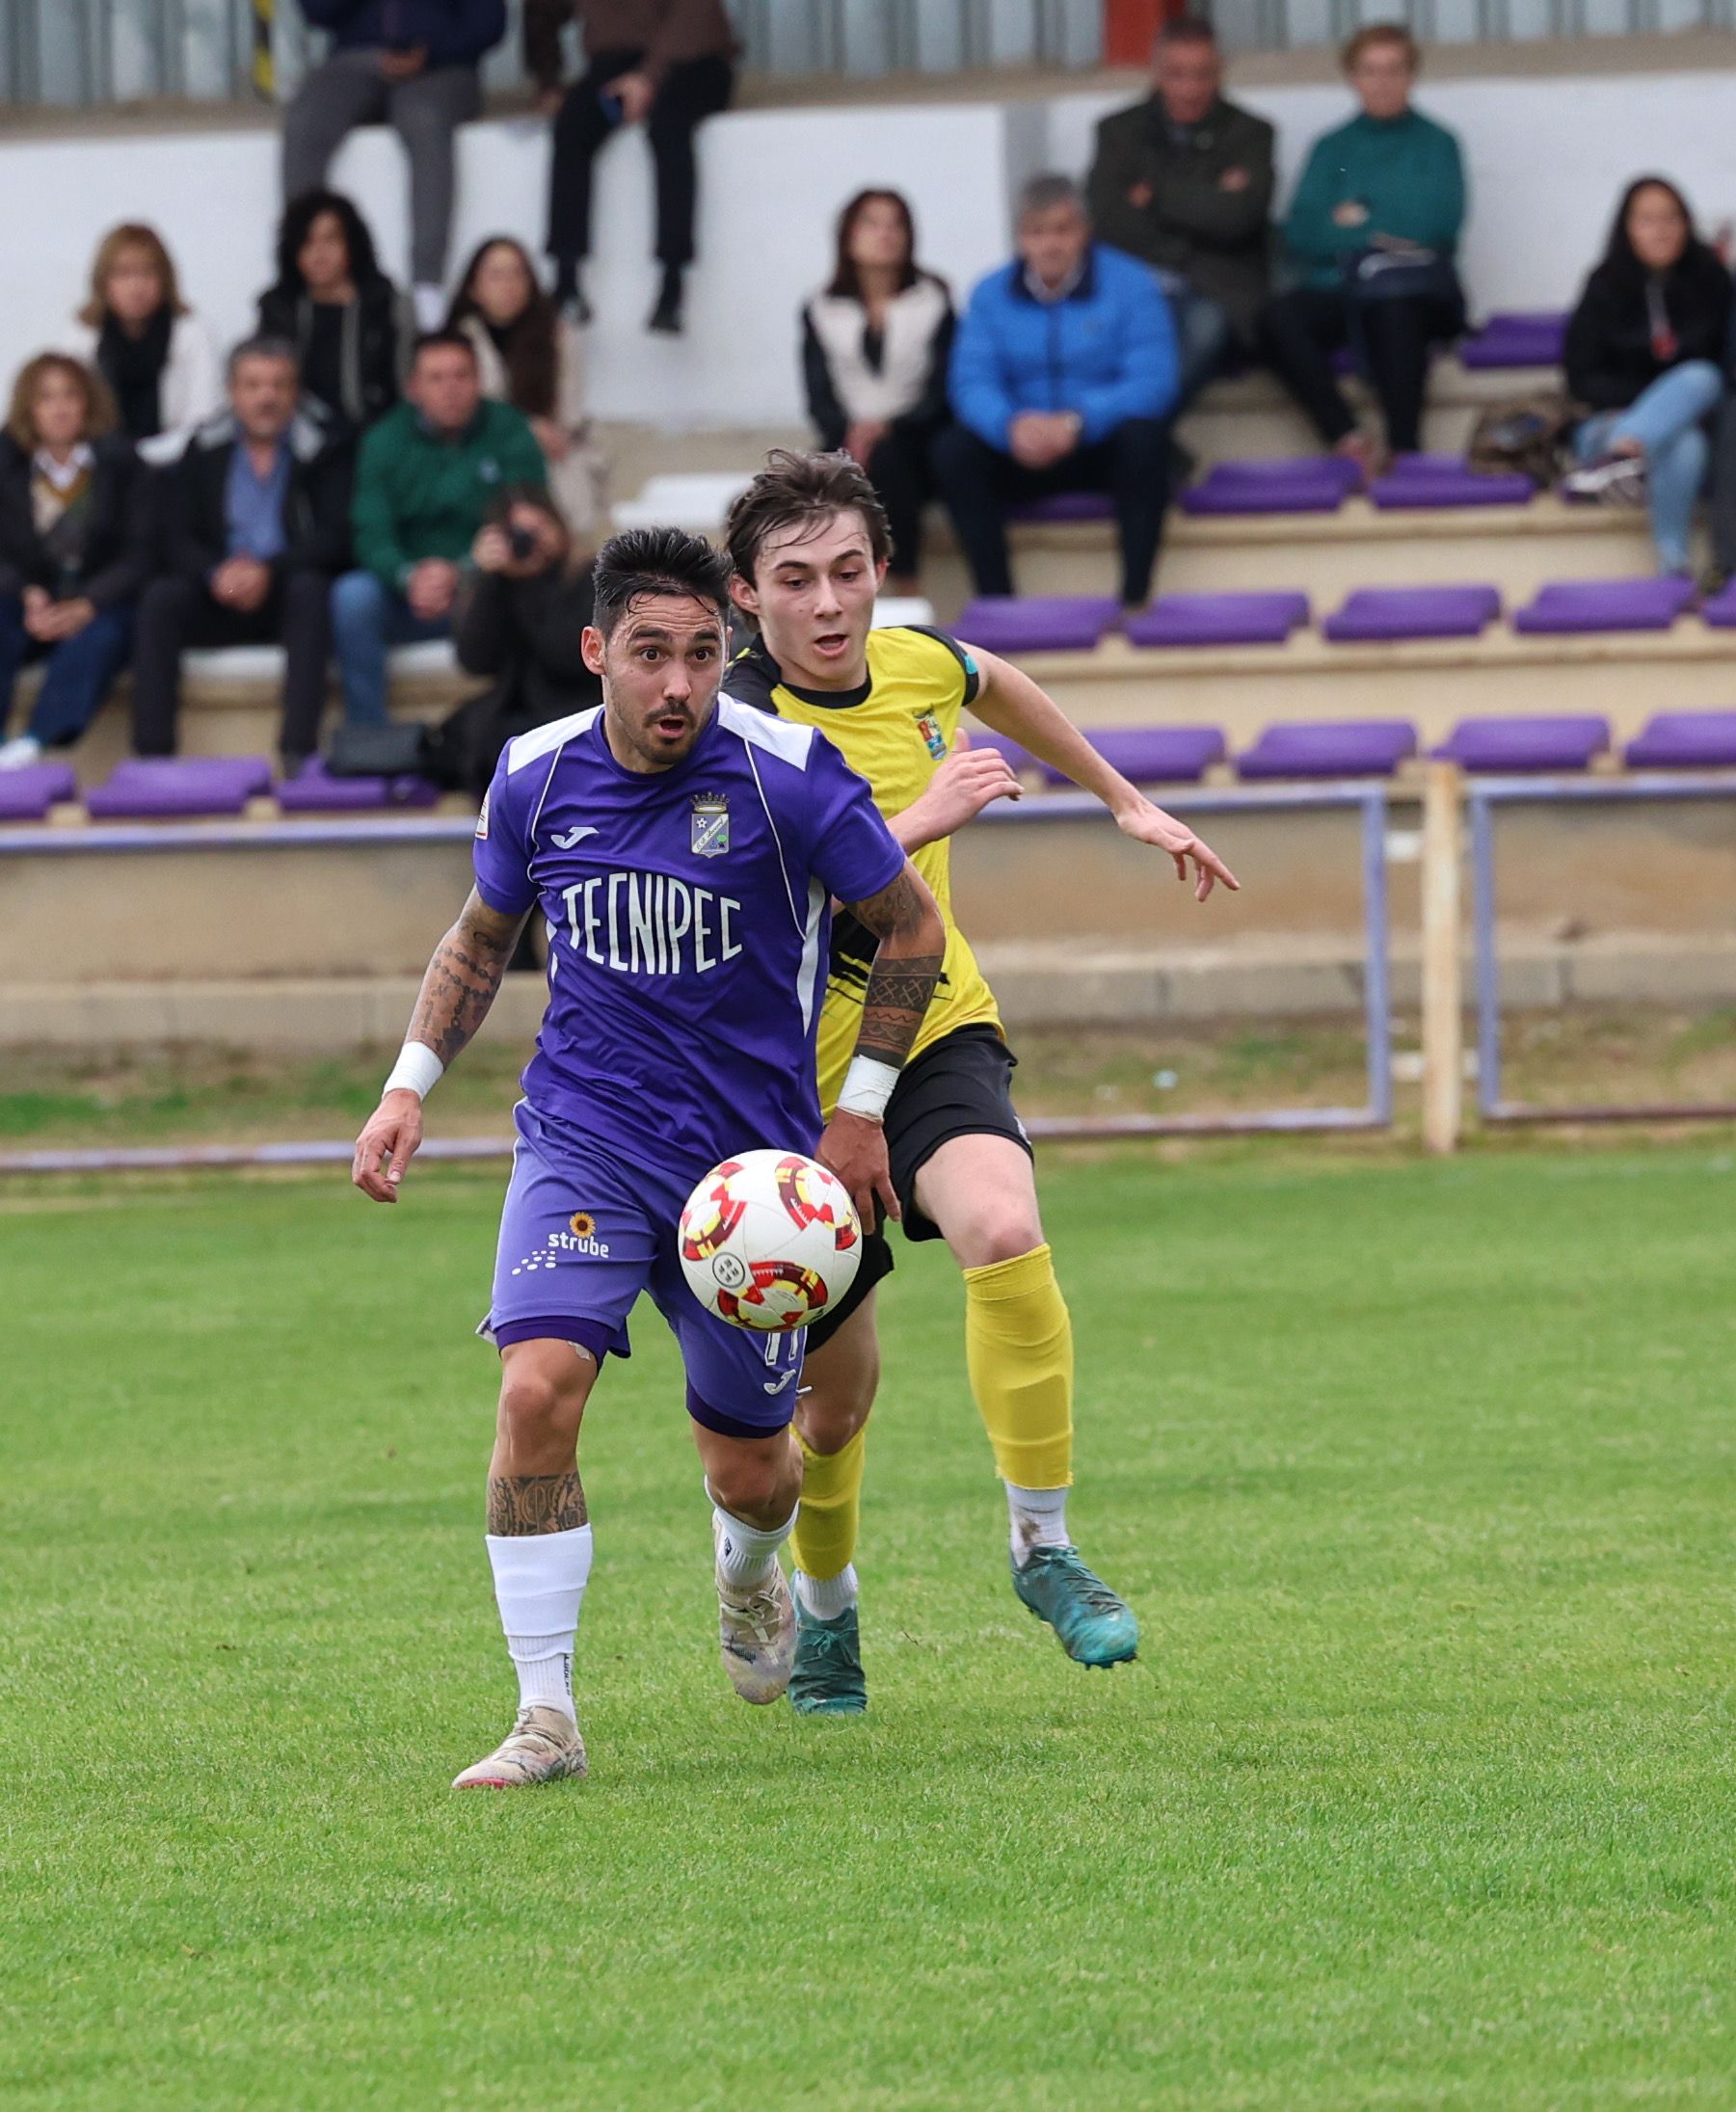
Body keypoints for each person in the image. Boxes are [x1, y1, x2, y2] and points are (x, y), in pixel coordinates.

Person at [350, 524, 948, 1788]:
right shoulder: (532, 773)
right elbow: (477, 937)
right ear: (595, 652)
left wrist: (861, 1111)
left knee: (752, 1463)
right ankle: (544, 1714)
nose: (679, 682)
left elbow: (911, 925)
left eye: (701, 654)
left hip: (751, 1182)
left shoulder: (791, 774)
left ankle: (747, 1574)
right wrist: (408, 1086)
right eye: (649, 654)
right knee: (533, 1391)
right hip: (582, 1141)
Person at [721, 449, 1239, 1715]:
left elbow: (993, 680)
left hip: (934, 1029)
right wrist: (913, 825)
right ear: (746, 596)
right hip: (794, 1084)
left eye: (849, 570)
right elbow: (751, 899)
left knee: (1005, 1222)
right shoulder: (733, 730)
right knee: (832, 1410)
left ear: (880, 572)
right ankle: (828, 1613)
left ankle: (1042, 1544)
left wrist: (1122, 797)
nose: (830, 602)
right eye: (796, 580)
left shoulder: (914, 662)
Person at [931, 174, 1180, 611]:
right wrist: (1010, 426)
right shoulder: (990, 294)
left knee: (1146, 441)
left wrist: (1078, 421)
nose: (1050, 245)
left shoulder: (1132, 284)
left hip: (1097, 443)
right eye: (1036, 232)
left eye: (1062, 230)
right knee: (953, 451)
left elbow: (1153, 379)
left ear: (1084, 231)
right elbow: (971, 381)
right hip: (1019, 449)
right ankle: (999, 605)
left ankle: (1135, 597)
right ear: (1021, 238)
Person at [130, 338, 351, 774]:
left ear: (295, 392)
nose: (266, 397)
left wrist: (268, 571)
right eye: (253, 385)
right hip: (216, 590)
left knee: (312, 591)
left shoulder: (325, 447)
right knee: (160, 599)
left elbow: (335, 536)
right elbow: (174, 536)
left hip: (285, 589)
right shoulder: (203, 448)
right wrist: (215, 573)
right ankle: (152, 761)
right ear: (232, 392)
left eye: (278, 385)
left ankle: (297, 752)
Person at [1258, 23, 1466, 472]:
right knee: (1276, 317)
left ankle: (1405, 449)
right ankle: (1347, 437)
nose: (1383, 82)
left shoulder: (1438, 145)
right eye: (1370, 71)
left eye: (1394, 70)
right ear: (1352, 78)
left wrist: (1354, 220)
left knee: (1394, 305)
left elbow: (1435, 225)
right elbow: (1302, 232)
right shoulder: (1333, 148)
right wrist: (1378, 233)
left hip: (1414, 291)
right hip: (1340, 289)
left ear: (1412, 76)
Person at [333, 331, 545, 728]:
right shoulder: (383, 441)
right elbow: (369, 531)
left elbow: (529, 516)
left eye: (461, 376)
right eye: (436, 378)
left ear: (479, 380)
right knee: (352, 597)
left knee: (534, 588)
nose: (451, 389)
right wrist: (408, 576)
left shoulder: (509, 430)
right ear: (413, 388)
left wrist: (466, 571)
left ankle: (518, 731)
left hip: (485, 588)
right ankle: (369, 737)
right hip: (406, 594)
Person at [282, 0, 508, 330]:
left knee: (424, 119)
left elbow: (488, 23)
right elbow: (318, 12)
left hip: (443, 67)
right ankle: (303, 279)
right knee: (305, 121)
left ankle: (427, 292)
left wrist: (431, 51)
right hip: (358, 61)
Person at [1085, 15, 1275, 409]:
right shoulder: (1119, 131)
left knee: (1203, 327)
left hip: (1218, 291)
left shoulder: (1251, 132)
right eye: (1176, 75)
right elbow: (1109, 220)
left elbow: (1239, 219)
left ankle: (1136, 428)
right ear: (1156, 73)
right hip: (1137, 282)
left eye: (1202, 75)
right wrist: (1205, 206)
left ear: (1220, 73)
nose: (1190, 89)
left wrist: (1155, 197)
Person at [527, 0, 738, 334]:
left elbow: (693, 14)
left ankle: (672, 284)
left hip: (694, 63)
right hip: (617, 67)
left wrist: (647, 77)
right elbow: (542, 12)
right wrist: (547, 79)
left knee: (668, 127)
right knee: (572, 127)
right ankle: (566, 281)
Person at [1560, 177, 1729, 579]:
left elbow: (1725, 362)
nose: (1661, 230)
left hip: (1682, 430)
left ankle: (1670, 558)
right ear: (1627, 227)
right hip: (1606, 423)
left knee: (1699, 393)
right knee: (1684, 417)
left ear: (1687, 224)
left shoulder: (1712, 280)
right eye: (1647, 219)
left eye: (1671, 218)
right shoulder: (1603, 284)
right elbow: (1580, 378)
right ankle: (1621, 450)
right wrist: (1650, 405)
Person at [0, 356, 150, 771]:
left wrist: (87, 603)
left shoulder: (122, 463)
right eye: (46, 398)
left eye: (71, 395)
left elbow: (140, 553)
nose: (60, 408)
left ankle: (35, 740)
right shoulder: (7, 464)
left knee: (100, 635)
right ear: (29, 409)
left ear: (89, 404)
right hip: (32, 605)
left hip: (102, 604)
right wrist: (25, 592)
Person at [802, 190, 953, 591]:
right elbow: (818, 392)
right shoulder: (821, 306)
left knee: (890, 462)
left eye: (895, 224)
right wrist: (851, 430)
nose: (885, 234)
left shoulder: (933, 300)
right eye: (871, 223)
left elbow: (942, 390)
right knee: (819, 478)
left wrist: (889, 426)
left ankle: (906, 585)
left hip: (915, 437)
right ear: (847, 236)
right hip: (845, 437)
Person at [441, 484, 601, 794]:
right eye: (520, 534)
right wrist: (488, 581)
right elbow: (474, 661)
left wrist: (528, 585)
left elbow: (567, 657)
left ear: (560, 525)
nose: (533, 541)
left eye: (541, 528)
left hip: (577, 711)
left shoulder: (591, 578)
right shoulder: (501, 585)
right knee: (478, 740)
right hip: (517, 712)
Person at [446, 235, 605, 535]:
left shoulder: (559, 337)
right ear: (474, 288)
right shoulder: (457, 341)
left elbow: (568, 413)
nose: (508, 285)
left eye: (517, 274)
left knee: (572, 492)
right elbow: (459, 412)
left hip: (550, 454)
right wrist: (523, 428)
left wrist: (547, 435)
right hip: (475, 453)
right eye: (496, 276)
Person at [256, 189, 415, 437]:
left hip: (378, 436)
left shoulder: (387, 303)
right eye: (307, 243)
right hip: (300, 442)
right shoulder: (278, 308)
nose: (319, 254)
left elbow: (410, 385)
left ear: (351, 244)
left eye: (330, 240)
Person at [64, 224, 222, 466]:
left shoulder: (192, 332)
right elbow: (72, 412)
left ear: (165, 279)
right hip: (101, 465)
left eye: (148, 274)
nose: (136, 287)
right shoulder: (83, 335)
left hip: (180, 462)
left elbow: (204, 414)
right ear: (103, 281)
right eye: (123, 275)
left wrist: (156, 454)